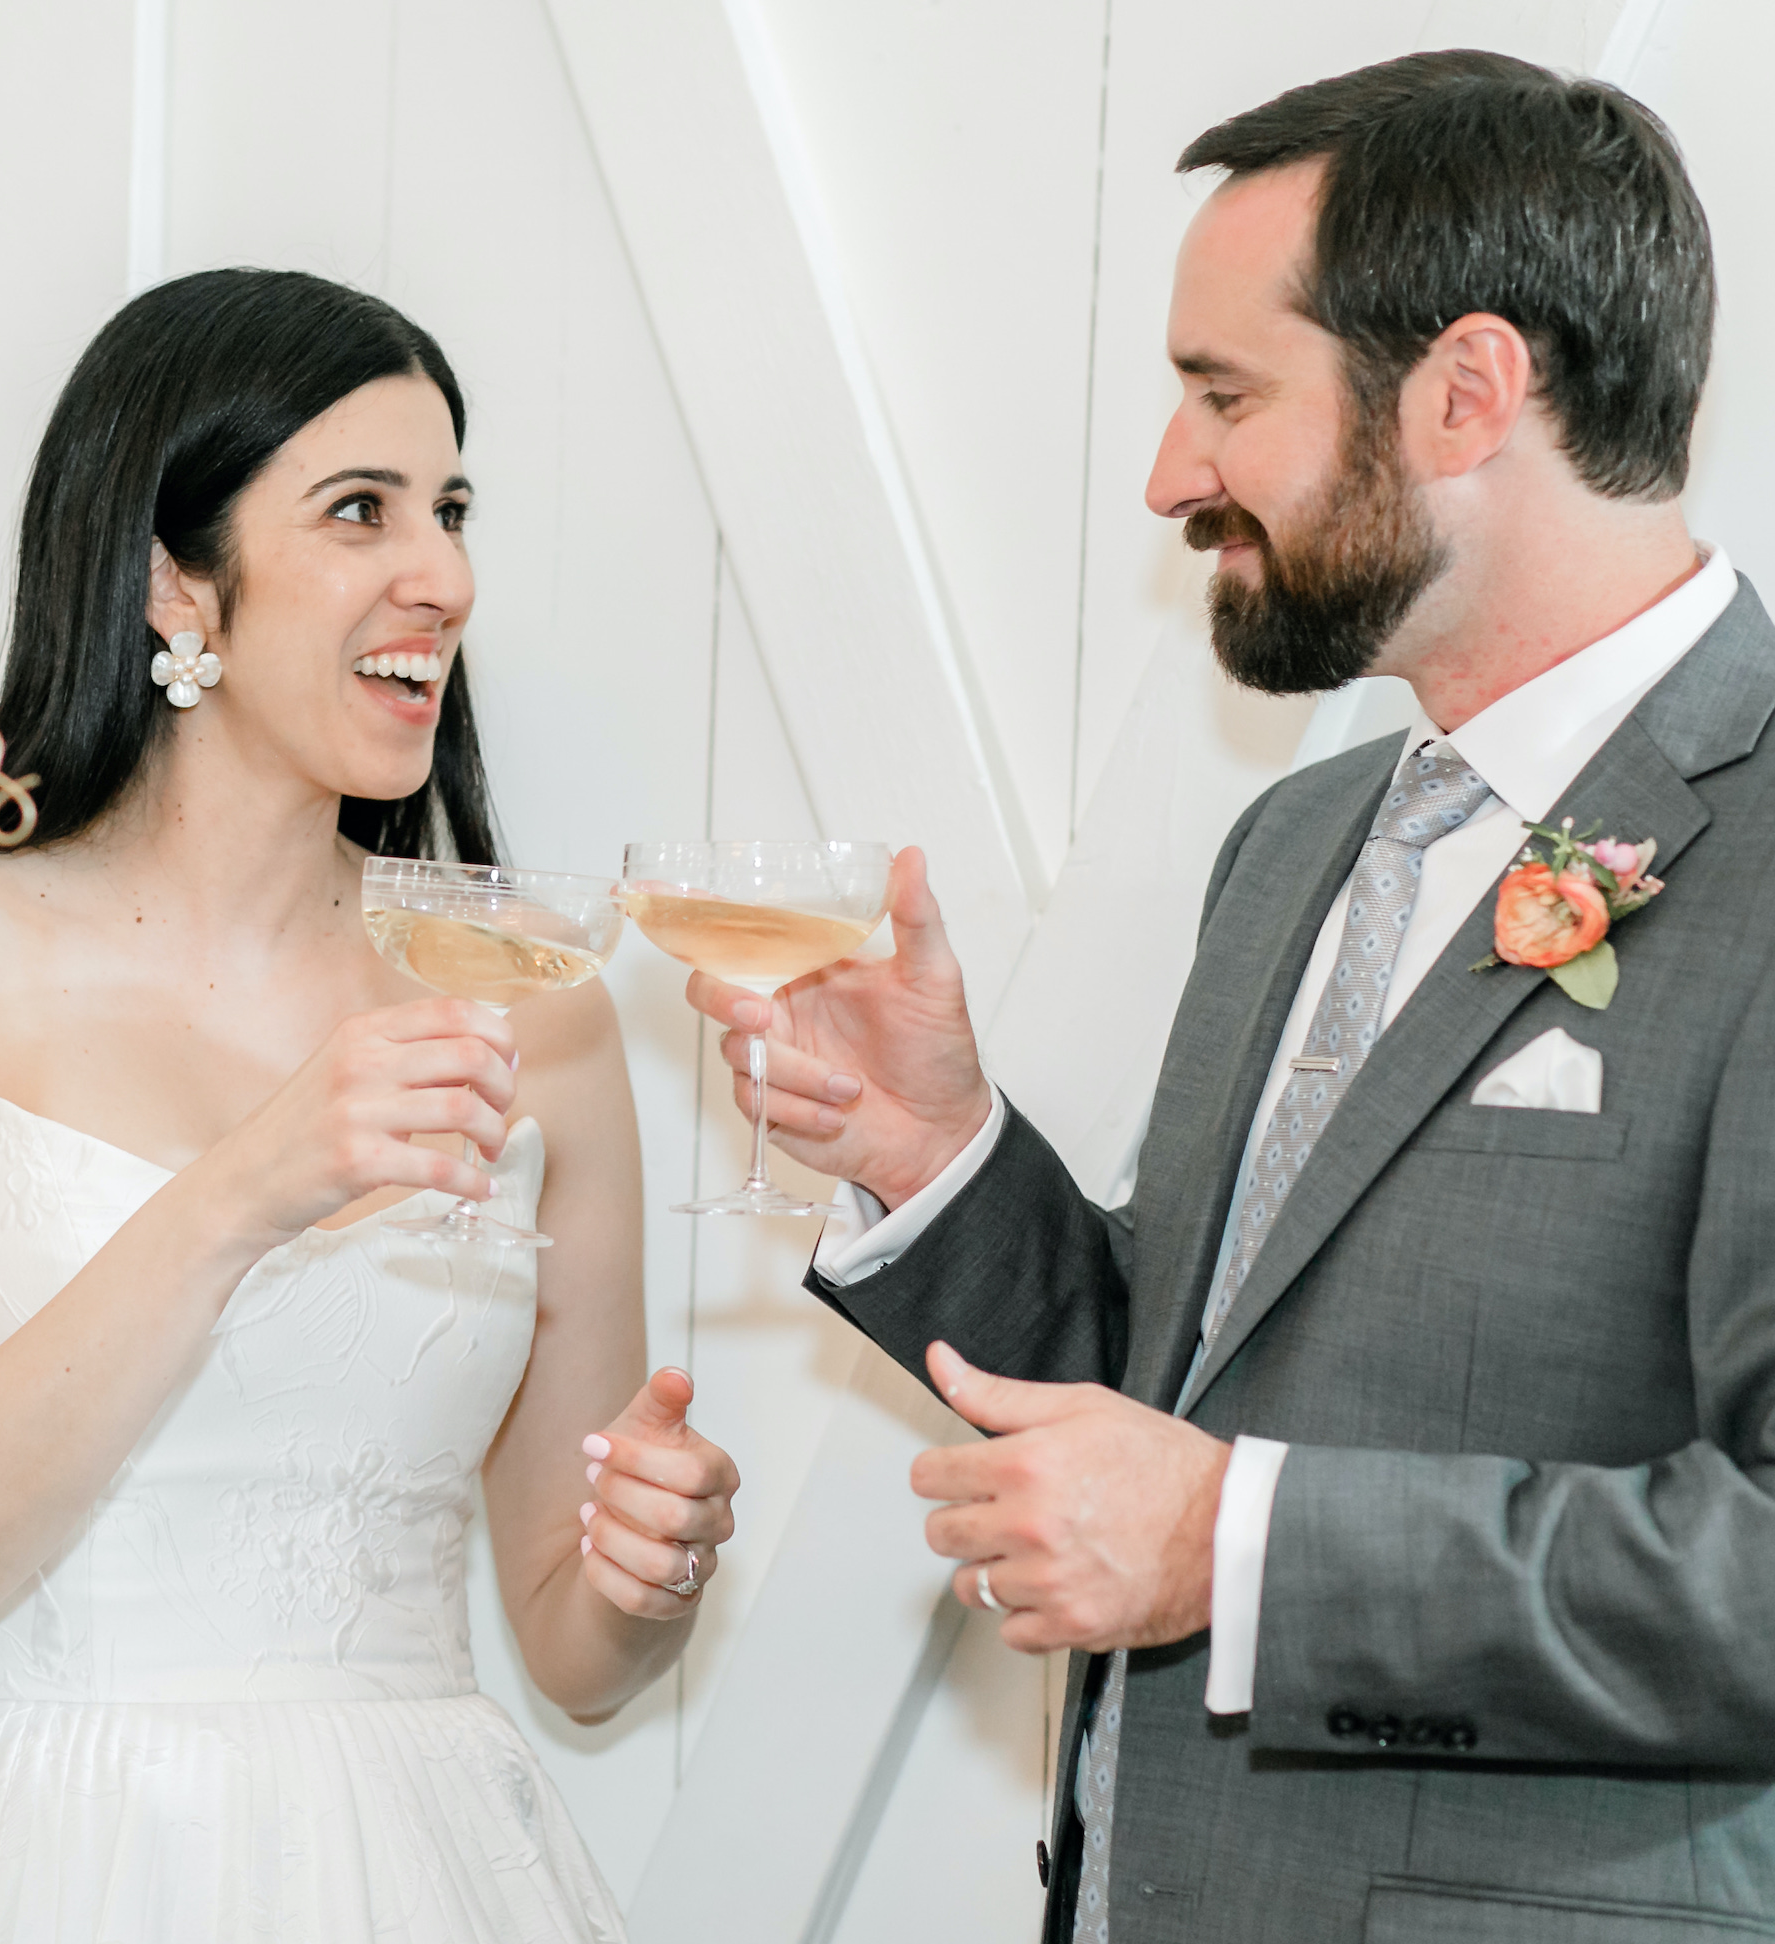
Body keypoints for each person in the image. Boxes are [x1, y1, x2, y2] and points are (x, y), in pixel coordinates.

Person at [688, 51, 1775, 1944]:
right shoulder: (1299, 842)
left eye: (1224, 395)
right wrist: (939, 1153)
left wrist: (1235, 1550)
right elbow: (1185, 1400)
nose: (1171, 475)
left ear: (1466, 392)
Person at [0, 268, 736, 1943]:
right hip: (18, 1855)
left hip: (419, 1869)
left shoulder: (536, 1006)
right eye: (360, 510)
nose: (442, 575)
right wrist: (245, 1190)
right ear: (172, 586)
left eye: (451, 510)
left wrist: (649, 1573)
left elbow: (573, 1654)